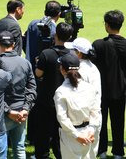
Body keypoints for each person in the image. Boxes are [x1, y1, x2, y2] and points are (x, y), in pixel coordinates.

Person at [33, 22, 74, 159]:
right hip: (66, 101)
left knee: (43, 134)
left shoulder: (47, 54)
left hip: (46, 100)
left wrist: (38, 62)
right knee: (61, 133)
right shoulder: (73, 56)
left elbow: (38, 74)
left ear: (55, 35)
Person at [0, 31, 37, 159]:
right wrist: (26, 108)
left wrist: (8, 111)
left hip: (2, 112)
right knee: (19, 148)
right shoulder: (25, 62)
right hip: (20, 112)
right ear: (13, 44)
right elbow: (32, 88)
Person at [54, 52, 101, 159]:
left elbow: (62, 118)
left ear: (62, 69)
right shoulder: (90, 88)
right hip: (89, 133)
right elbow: (95, 111)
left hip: (71, 135)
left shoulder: (61, 91)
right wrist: (91, 130)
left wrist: (77, 135)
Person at [92, 10, 126, 158]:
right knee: (119, 121)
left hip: (102, 89)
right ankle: (118, 152)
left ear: (107, 25)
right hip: (121, 90)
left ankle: (102, 150)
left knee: (101, 121)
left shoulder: (98, 45)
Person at [24, 0, 61, 70]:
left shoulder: (33, 24)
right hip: (46, 70)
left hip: (30, 66)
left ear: (45, 12)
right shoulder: (56, 31)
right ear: (59, 14)